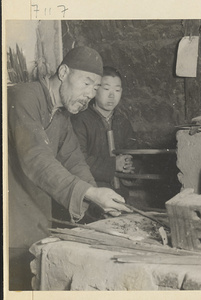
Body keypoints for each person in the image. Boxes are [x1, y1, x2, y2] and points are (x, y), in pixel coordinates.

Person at [7, 47, 131, 290]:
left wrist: (97, 199)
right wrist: (91, 194)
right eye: (86, 83)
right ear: (63, 72)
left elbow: (74, 161)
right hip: (10, 222)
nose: (89, 94)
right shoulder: (23, 98)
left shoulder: (61, 115)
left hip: (36, 221)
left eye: (95, 88)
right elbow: (36, 158)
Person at [71, 66, 138, 199]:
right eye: (106, 89)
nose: (112, 95)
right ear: (95, 89)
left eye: (117, 90)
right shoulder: (80, 120)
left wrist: (130, 167)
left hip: (120, 194)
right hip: (92, 194)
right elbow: (77, 160)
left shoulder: (123, 122)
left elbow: (134, 153)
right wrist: (114, 165)